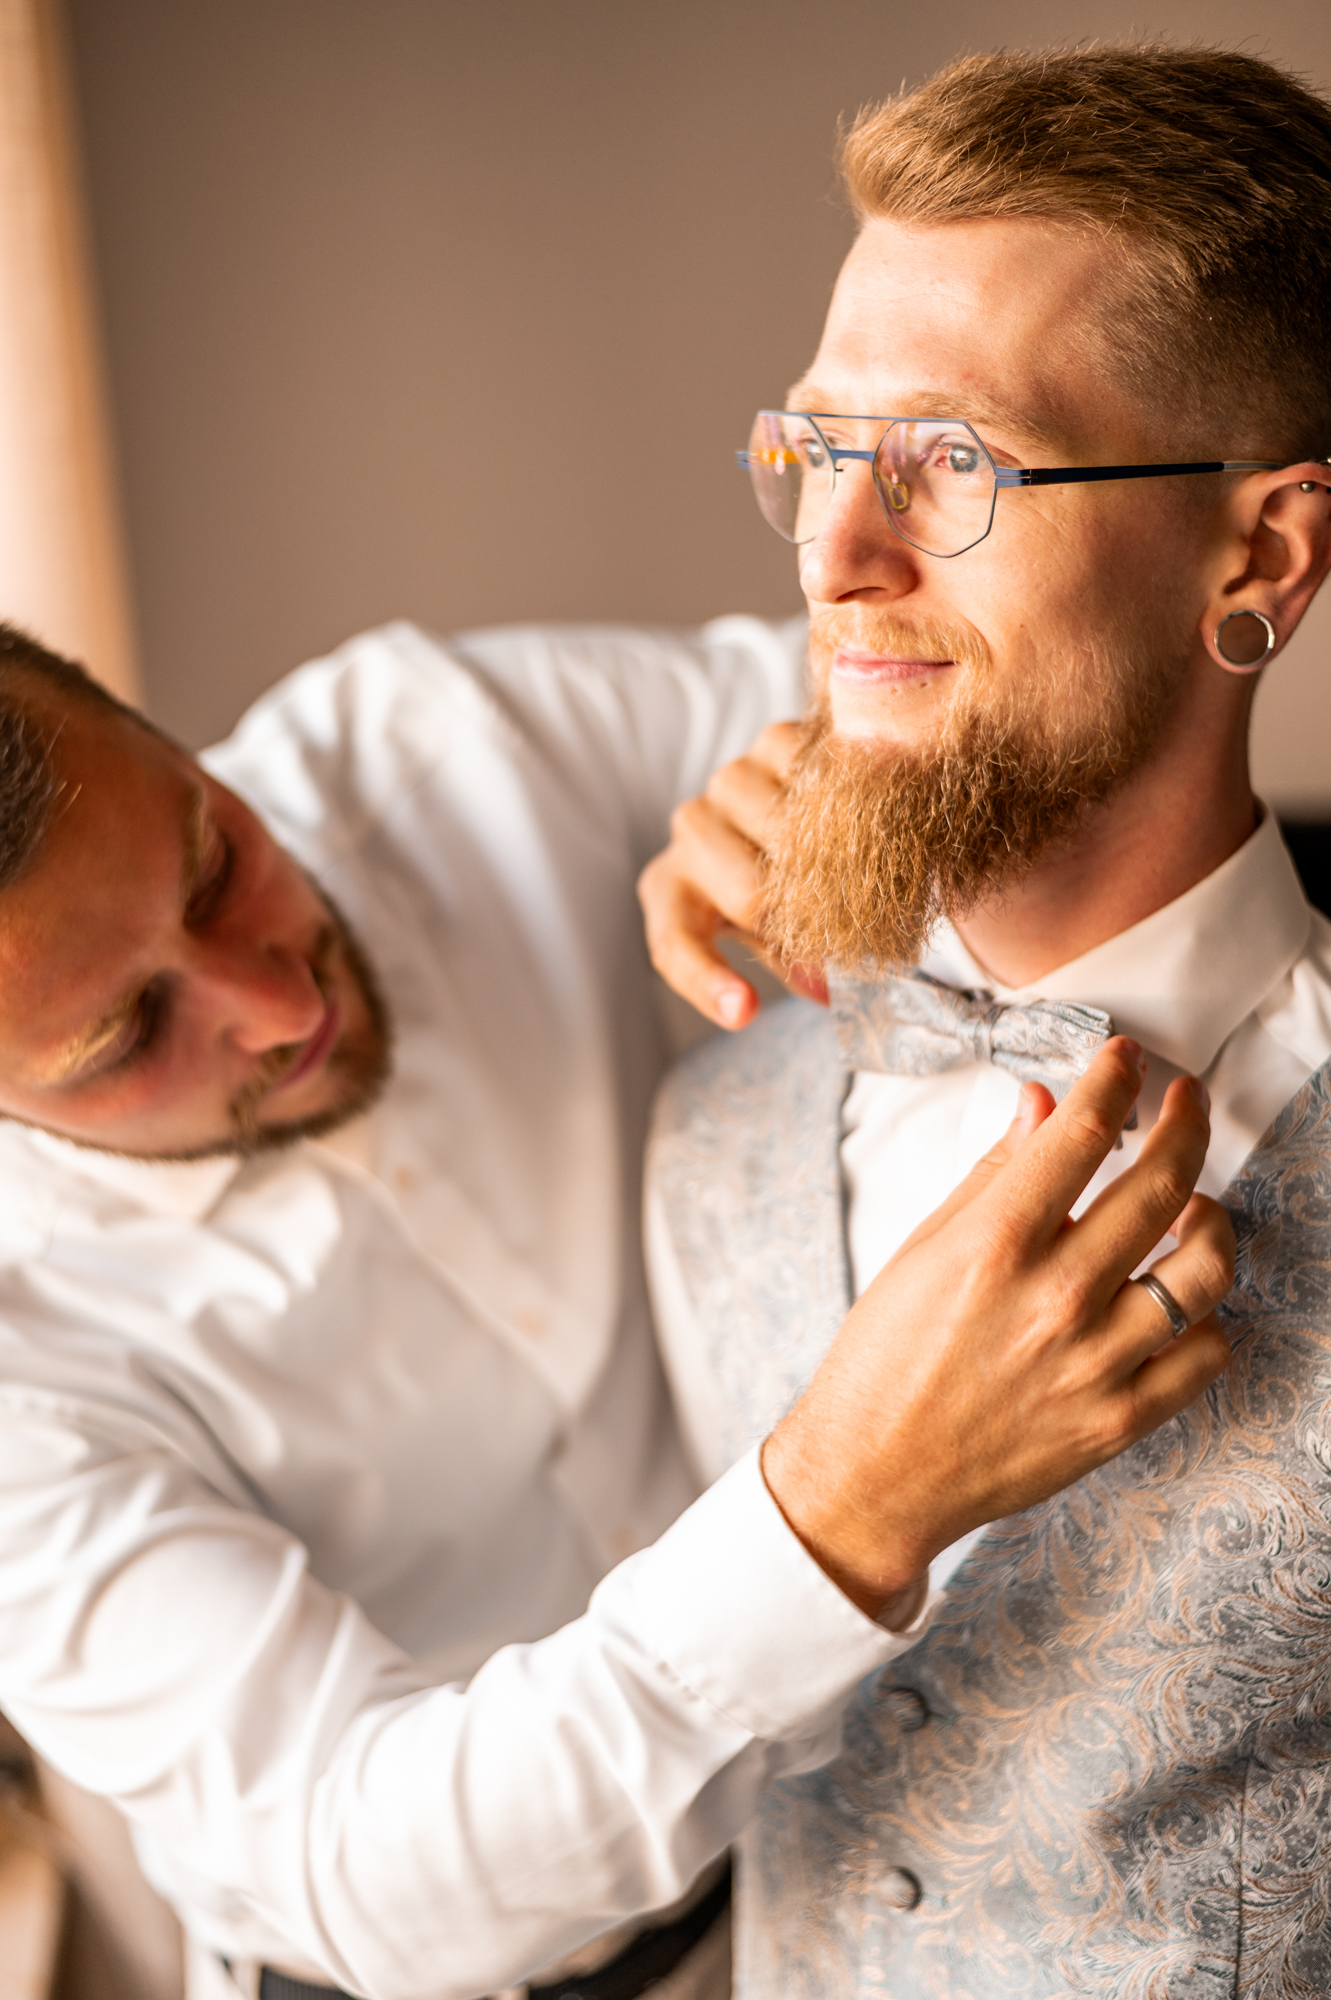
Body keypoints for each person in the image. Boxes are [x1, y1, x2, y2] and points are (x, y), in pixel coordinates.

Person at [0, 617, 1231, 2000]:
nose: (275, 1003)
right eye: (124, 1037)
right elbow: (370, 1865)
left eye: (216, 863)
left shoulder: (445, 745)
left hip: (865, 1859)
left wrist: (822, 785)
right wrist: (847, 1508)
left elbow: (962, 684)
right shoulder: (18, 1384)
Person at [639, 41, 1331, 1999]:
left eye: (956, 462)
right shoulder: (706, 1126)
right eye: (817, 450)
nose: (832, 557)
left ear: (1262, 555)